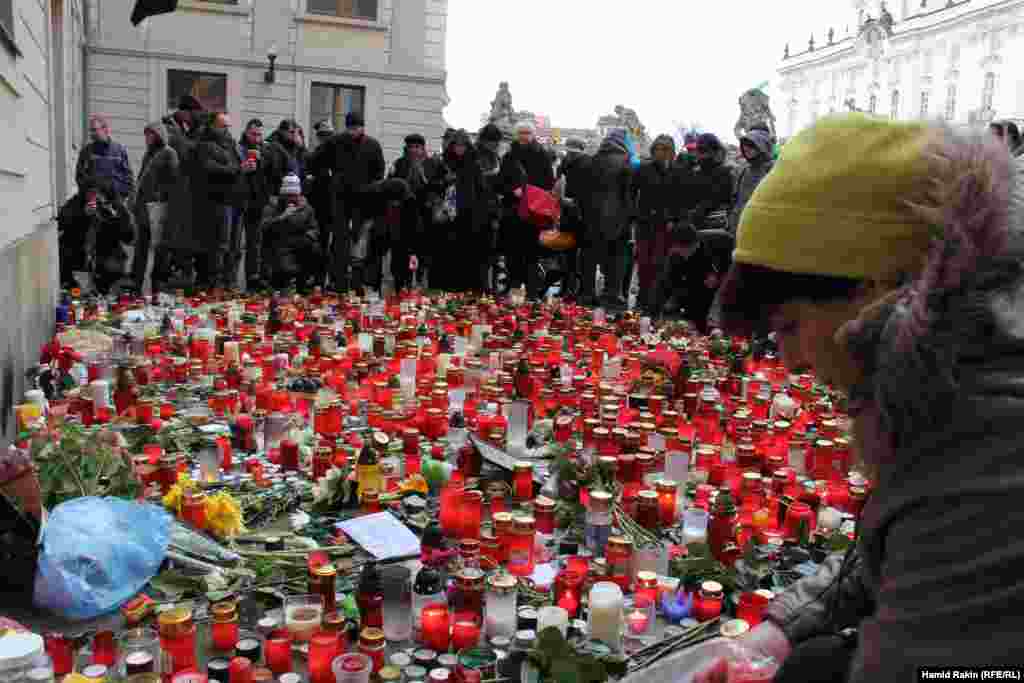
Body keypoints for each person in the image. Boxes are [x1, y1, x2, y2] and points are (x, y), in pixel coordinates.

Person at [680, 113, 1024, 683]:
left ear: (873, 291)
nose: (788, 361)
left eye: (791, 325)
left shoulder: (990, 444)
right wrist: (784, 630)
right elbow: (897, 553)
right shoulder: (952, 381)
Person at [311, 111, 386, 293]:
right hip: (340, 199)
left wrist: (372, 190)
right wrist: (328, 178)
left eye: (357, 128)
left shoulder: (372, 145)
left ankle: (358, 281)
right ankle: (338, 281)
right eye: (351, 128)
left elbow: (379, 172)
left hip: (363, 199)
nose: (354, 132)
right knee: (339, 241)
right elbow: (315, 161)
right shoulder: (335, 142)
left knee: (360, 241)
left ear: (363, 127)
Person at [499, 121, 556, 298]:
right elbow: (501, 182)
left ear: (533, 135)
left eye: (527, 133)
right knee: (512, 253)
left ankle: (532, 291)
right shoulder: (509, 156)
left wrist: (529, 192)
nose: (524, 136)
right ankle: (513, 286)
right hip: (513, 210)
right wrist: (511, 190)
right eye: (521, 133)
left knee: (531, 253)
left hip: (533, 211)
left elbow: (548, 184)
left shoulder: (542, 156)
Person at [578, 129, 633, 307]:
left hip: (592, 215)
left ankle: (587, 292)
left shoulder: (592, 160)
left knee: (590, 255)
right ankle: (612, 293)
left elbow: (582, 192)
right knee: (616, 256)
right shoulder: (626, 162)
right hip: (618, 216)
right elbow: (628, 194)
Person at [192, 111, 244, 288]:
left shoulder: (232, 144)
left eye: (228, 126)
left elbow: (238, 166)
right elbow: (209, 168)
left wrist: (248, 165)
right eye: (223, 126)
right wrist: (238, 168)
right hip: (218, 201)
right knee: (219, 245)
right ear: (213, 125)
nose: (227, 130)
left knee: (235, 246)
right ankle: (213, 283)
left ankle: (230, 282)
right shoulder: (205, 144)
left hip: (235, 201)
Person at [632, 134, 683, 315]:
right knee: (644, 263)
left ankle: (656, 300)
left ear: (672, 152)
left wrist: (673, 218)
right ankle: (642, 298)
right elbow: (632, 193)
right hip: (645, 223)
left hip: (665, 225)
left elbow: (680, 200)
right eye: (658, 149)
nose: (661, 153)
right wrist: (635, 215)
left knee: (660, 264)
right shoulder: (643, 169)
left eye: (666, 149)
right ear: (653, 151)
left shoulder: (677, 171)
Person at [58, 176, 136, 295]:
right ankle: (76, 291)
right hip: (77, 257)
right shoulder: (77, 203)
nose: (95, 199)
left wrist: (115, 218)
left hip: (105, 257)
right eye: (91, 194)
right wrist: (82, 214)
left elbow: (129, 237)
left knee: (110, 272)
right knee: (77, 292)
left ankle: (105, 290)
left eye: (98, 194)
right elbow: (61, 222)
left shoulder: (115, 206)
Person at [433, 129, 487, 292]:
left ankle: (466, 288)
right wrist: (444, 181)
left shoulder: (474, 165)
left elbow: (481, 191)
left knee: (467, 255)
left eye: (462, 146)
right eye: (456, 145)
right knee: (447, 254)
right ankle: (447, 287)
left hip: (468, 216)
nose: (459, 149)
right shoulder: (444, 163)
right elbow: (433, 186)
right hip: (447, 217)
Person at [389, 133, 444, 291]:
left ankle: (421, 282)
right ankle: (401, 285)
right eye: (411, 147)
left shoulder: (433, 164)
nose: (414, 151)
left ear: (423, 148)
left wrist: (428, 183)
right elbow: (391, 184)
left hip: (426, 216)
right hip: (404, 217)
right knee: (401, 253)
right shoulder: (399, 164)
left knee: (424, 252)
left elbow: (442, 184)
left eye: (417, 147)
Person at [133, 121, 180, 293]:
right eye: (146, 134)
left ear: (159, 135)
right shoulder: (148, 154)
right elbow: (141, 178)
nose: (147, 138)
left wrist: (164, 198)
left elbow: (175, 180)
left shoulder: (169, 153)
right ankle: (136, 283)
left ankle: (157, 286)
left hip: (159, 208)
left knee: (160, 249)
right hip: (144, 208)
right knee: (141, 248)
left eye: (150, 134)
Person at [656, 226, 733, 331]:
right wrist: (661, 309)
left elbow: (730, 265)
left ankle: (711, 326)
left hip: (724, 262)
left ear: (696, 244)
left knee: (713, 294)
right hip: (698, 271)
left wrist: (718, 276)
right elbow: (668, 282)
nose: (684, 255)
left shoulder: (719, 243)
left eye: (686, 251)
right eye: (680, 251)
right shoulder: (675, 256)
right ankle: (697, 324)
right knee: (692, 293)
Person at [259, 173, 322, 291]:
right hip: (279, 243)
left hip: (300, 241)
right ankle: (279, 280)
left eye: (294, 195)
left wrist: (308, 237)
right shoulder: (272, 206)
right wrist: (282, 217)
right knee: (285, 271)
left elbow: (314, 228)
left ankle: (305, 281)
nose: (291, 198)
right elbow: (264, 226)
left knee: (316, 250)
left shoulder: (306, 207)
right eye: (288, 195)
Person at [238, 119, 269, 289]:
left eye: (259, 134)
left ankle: (252, 279)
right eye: (253, 134)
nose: (257, 138)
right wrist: (244, 167)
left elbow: (269, 172)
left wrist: (262, 160)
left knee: (254, 243)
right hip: (241, 200)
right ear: (246, 132)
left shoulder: (264, 149)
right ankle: (230, 281)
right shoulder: (239, 148)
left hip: (257, 201)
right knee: (234, 244)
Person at [75, 115, 135, 203]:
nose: (92, 133)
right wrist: (89, 193)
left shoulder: (119, 150)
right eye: (91, 130)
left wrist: (122, 194)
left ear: (105, 129)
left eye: (95, 130)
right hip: (95, 202)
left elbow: (128, 177)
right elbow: (80, 176)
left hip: (117, 201)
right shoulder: (86, 152)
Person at [476, 123, 506, 292]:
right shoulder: (478, 156)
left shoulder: (495, 157)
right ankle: (484, 286)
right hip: (483, 209)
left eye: (497, 142)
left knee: (493, 253)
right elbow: (477, 179)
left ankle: (492, 286)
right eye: (493, 142)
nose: (495, 145)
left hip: (494, 209)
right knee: (484, 253)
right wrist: (493, 175)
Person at [689, 133, 733, 231]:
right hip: (698, 226)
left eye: (704, 150)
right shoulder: (695, 173)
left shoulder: (724, 172)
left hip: (717, 226)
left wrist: (700, 209)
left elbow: (721, 198)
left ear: (714, 152)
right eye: (699, 150)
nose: (701, 154)